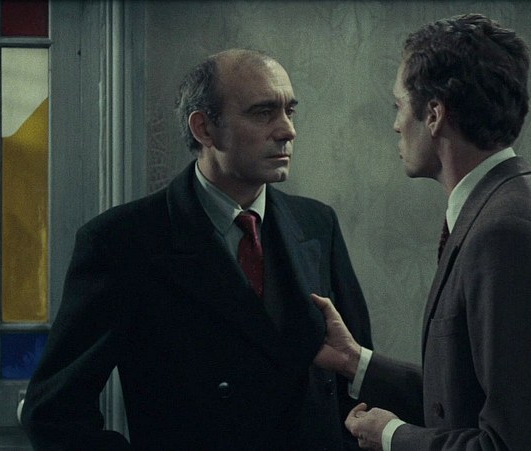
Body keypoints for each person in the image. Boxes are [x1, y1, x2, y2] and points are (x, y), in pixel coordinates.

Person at [21, 48, 373, 450]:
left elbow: (357, 380)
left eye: (290, 111)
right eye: (263, 113)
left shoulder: (317, 224)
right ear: (204, 129)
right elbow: (53, 412)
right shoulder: (121, 241)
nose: (287, 130)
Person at [312, 14, 531, 451]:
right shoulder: (529, 205)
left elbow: (514, 445)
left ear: (434, 114)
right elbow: (479, 400)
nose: (396, 124)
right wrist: (355, 362)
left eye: (398, 106)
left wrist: (392, 437)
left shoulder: (506, 235)